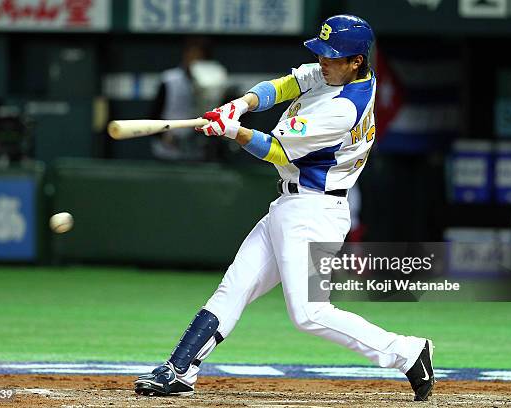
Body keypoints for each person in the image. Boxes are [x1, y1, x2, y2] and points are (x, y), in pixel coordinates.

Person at [135, 15, 435, 402]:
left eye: (332, 56)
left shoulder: (344, 107)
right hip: (290, 205)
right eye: (322, 53)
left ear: (357, 60)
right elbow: (285, 85)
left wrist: (232, 131)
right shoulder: (338, 75)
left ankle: (407, 352)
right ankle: (179, 371)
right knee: (235, 286)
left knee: (309, 313)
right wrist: (238, 105)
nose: (323, 61)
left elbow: (275, 148)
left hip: (314, 213)